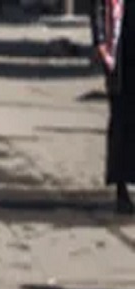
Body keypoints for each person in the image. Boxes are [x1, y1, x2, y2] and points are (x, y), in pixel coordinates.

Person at [92, 0, 135, 214]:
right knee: (121, 120)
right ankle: (121, 188)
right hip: (119, 53)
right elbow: (99, 5)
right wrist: (100, 39)